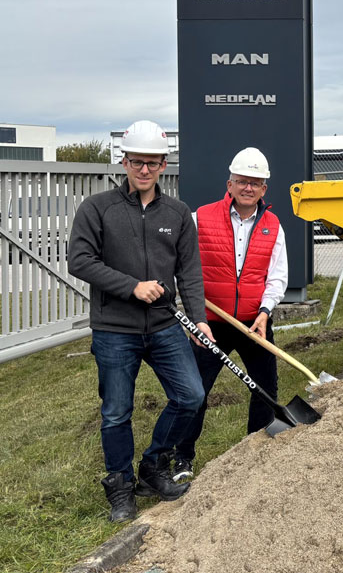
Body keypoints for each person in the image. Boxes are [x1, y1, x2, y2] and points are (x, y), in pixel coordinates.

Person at [68, 120, 212, 523]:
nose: (144, 170)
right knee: (116, 411)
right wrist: (131, 287)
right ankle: (120, 487)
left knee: (191, 396)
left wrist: (199, 320)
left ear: (163, 165)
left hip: (165, 326)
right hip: (115, 329)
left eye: (152, 163)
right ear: (125, 162)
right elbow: (80, 261)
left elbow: (189, 272)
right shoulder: (98, 208)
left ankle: (153, 466)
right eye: (137, 162)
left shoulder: (178, 213)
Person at [173, 147, 288, 483]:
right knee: (195, 391)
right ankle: (181, 457)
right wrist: (195, 315)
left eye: (255, 182)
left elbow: (277, 276)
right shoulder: (201, 218)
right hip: (210, 324)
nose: (248, 188)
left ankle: (256, 451)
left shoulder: (273, 225)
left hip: (255, 323)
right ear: (230, 184)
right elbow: (181, 265)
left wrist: (265, 312)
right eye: (242, 181)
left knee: (265, 388)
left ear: (264, 188)